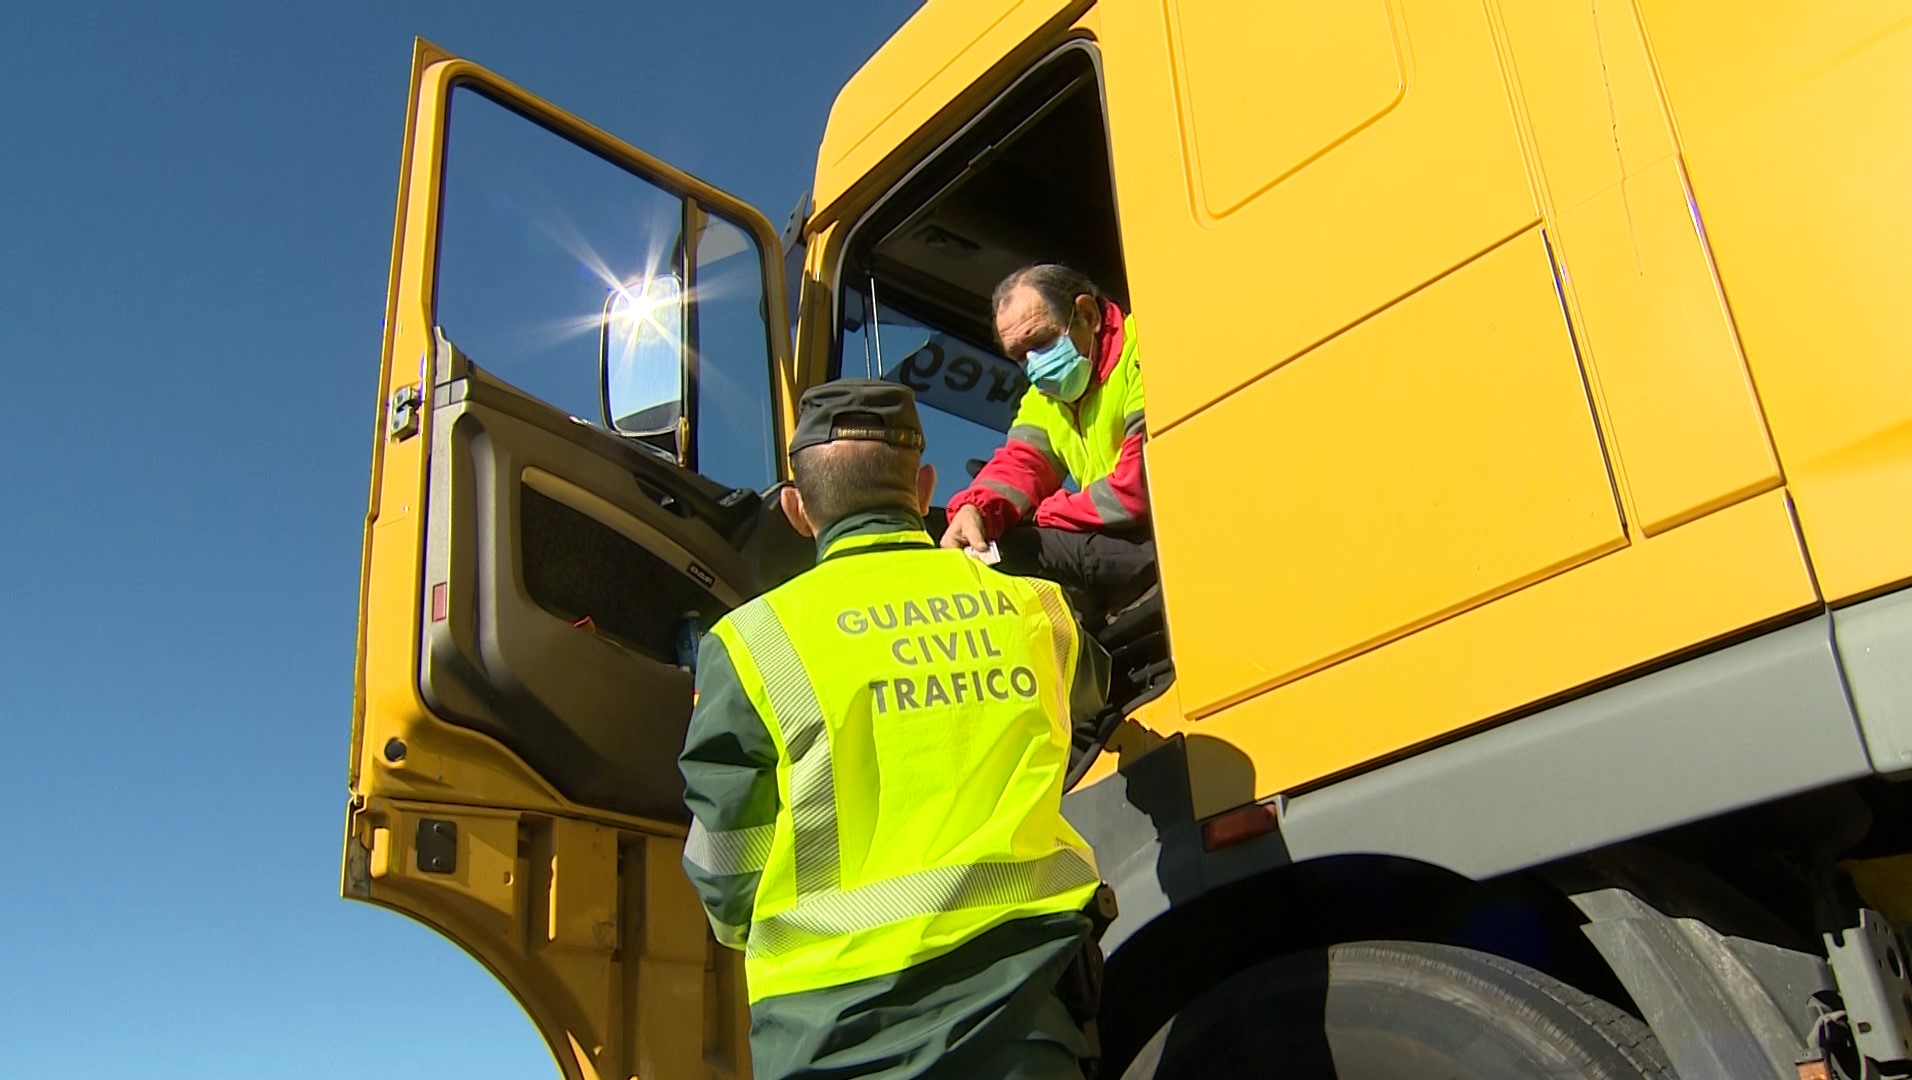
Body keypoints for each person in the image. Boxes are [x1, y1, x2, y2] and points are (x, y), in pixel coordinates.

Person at [679, 379, 1112, 1080]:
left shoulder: (750, 643)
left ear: (797, 509)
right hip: (1022, 1026)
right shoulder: (1033, 608)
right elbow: (1095, 688)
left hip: (830, 1042)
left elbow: (726, 873)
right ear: (925, 488)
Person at [940, 264, 1154, 623]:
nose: (1034, 366)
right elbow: (1020, 465)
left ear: (1088, 315)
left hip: (1169, 539)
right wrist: (975, 511)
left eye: (1039, 343)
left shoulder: (1145, 351)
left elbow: (1139, 488)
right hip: (1124, 547)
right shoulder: (1043, 399)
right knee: (980, 560)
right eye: (1019, 356)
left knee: (1021, 549)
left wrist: (1045, 515)